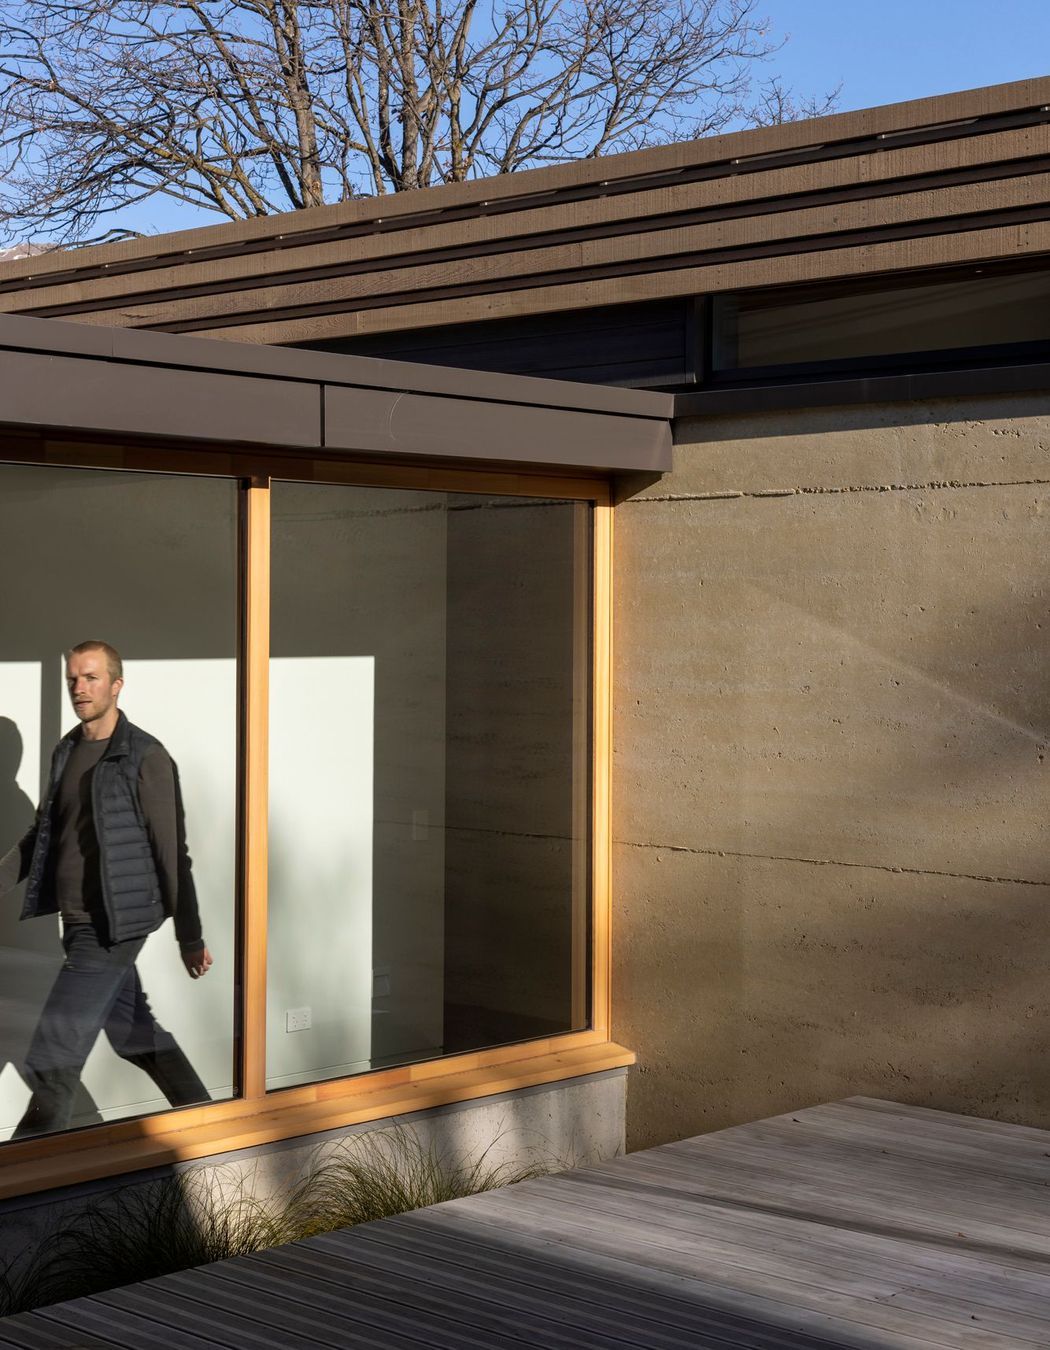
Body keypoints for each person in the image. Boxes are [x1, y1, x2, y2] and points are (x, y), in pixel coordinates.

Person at [0, 640, 212, 1138]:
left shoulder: (145, 756)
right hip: (74, 922)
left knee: (51, 1056)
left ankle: (20, 1189)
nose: (79, 687)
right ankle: (208, 1126)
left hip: (114, 927)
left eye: (91, 677)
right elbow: (39, 839)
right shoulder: (66, 751)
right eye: (73, 678)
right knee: (135, 1036)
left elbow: (172, 852)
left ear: (116, 684)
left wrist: (191, 936)